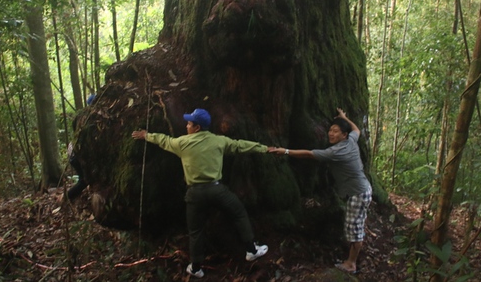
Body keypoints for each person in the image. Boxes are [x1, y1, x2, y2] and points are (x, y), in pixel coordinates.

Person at [132, 108, 269, 279]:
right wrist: (264, 148)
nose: (186, 126)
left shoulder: (182, 143)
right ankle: (251, 250)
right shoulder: (218, 141)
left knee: (195, 231)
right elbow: (240, 145)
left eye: (189, 123)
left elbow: (164, 140)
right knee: (239, 212)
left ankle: (196, 267)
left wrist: (147, 135)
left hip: (195, 194)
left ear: (197, 128)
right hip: (217, 190)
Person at [269, 108, 372, 274]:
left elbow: (309, 154)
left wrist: (285, 151)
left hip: (358, 194)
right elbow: (357, 130)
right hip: (362, 189)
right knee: (354, 227)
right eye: (330, 130)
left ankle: (351, 263)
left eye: (336, 131)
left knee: (355, 231)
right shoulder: (351, 140)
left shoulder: (336, 152)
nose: (331, 133)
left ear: (343, 135)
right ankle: (351, 259)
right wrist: (344, 118)